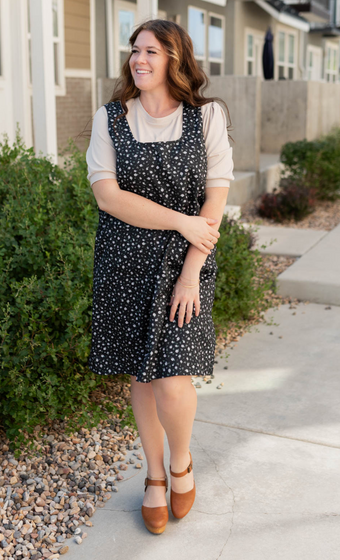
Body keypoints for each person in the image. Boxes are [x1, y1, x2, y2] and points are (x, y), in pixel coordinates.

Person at [85, 18, 234, 534]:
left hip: (186, 263)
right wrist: (178, 219)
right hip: (123, 262)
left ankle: (180, 461)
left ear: (175, 57)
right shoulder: (111, 118)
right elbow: (109, 197)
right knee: (142, 378)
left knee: (172, 380)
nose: (138, 59)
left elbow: (214, 203)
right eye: (134, 50)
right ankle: (152, 475)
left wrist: (191, 271)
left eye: (150, 50)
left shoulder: (207, 116)